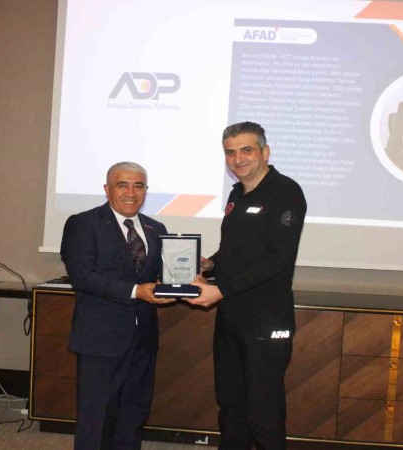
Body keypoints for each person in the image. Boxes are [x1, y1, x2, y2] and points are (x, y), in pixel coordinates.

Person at [186, 122, 307, 449]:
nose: (237, 159)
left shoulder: (286, 191)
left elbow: (277, 258)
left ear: (265, 152)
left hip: (266, 319)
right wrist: (210, 265)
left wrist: (220, 290)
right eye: (230, 152)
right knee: (231, 404)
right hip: (231, 317)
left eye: (246, 150)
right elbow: (235, 251)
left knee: (263, 409)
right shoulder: (236, 194)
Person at [60, 162, 175, 450]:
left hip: (143, 339)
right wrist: (137, 291)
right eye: (122, 185)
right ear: (107, 189)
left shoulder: (156, 228)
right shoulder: (83, 223)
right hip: (101, 339)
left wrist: (187, 274)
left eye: (138, 186)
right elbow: (82, 276)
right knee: (97, 417)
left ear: (146, 190)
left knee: (133, 414)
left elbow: (162, 275)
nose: (131, 193)